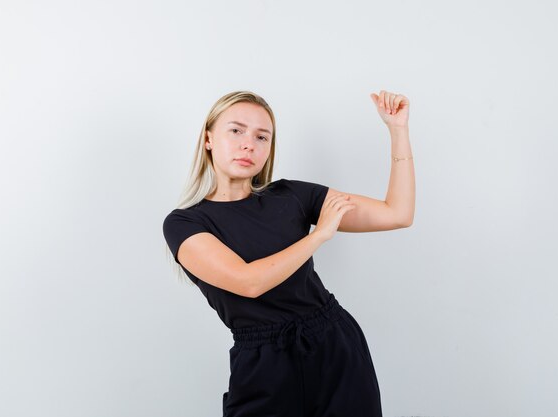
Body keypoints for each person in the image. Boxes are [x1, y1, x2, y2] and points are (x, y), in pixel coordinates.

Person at [162, 90, 415, 417]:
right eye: (236, 130)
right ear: (209, 138)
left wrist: (398, 130)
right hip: (263, 366)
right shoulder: (185, 222)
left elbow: (398, 213)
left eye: (261, 136)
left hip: (334, 346)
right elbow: (249, 283)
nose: (248, 144)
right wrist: (319, 235)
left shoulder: (291, 195)